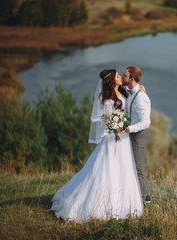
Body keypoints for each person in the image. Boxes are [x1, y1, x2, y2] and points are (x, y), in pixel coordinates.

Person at [50, 69, 143, 223]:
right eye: (118, 76)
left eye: (121, 75)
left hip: (124, 139)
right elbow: (107, 122)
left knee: (124, 169)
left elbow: (133, 96)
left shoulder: (124, 92)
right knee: (108, 171)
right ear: (112, 80)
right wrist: (116, 128)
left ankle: (126, 205)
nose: (120, 77)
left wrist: (141, 89)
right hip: (113, 138)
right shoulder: (107, 101)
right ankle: (99, 206)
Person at [120, 66, 152, 204]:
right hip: (132, 132)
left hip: (139, 135)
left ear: (132, 79)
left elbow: (146, 122)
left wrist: (129, 129)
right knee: (131, 165)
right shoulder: (131, 91)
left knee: (139, 168)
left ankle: (145, 198)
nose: (122, 76)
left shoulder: (140, 98)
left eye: (125, 75)